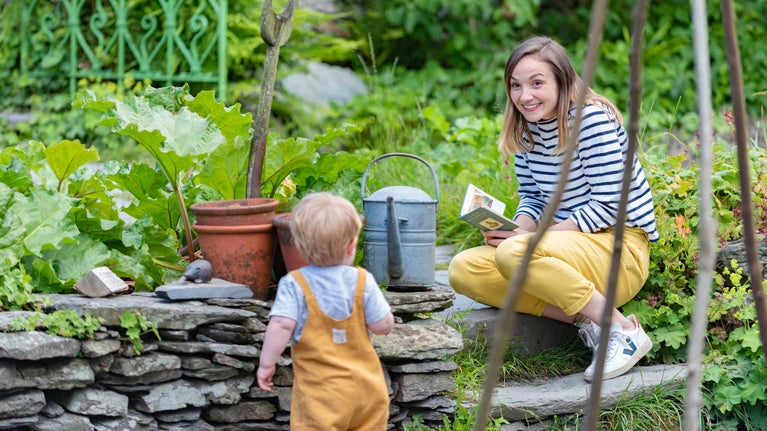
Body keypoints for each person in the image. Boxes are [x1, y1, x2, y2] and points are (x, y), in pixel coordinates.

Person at [448, 36, 659, 382]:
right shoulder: (525, 130)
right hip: (567, 251)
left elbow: (609, 206)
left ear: (563, 82)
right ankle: (589, 320)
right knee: (463, 269)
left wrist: (529, 239)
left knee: (515, 253)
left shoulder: (590, 120)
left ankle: (623, 331)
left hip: (620, 253)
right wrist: (516, 227)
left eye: (536, 83)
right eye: (515, 85)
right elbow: (532, 197)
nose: (524, 96)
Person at [256, 192, 395, 430]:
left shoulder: (294, 284)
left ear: (298, 245)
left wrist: (267, 364)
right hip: (368, 392)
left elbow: (280, 325)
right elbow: (382, 326)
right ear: (352, 243)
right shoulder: (362, 280)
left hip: (322, 397)